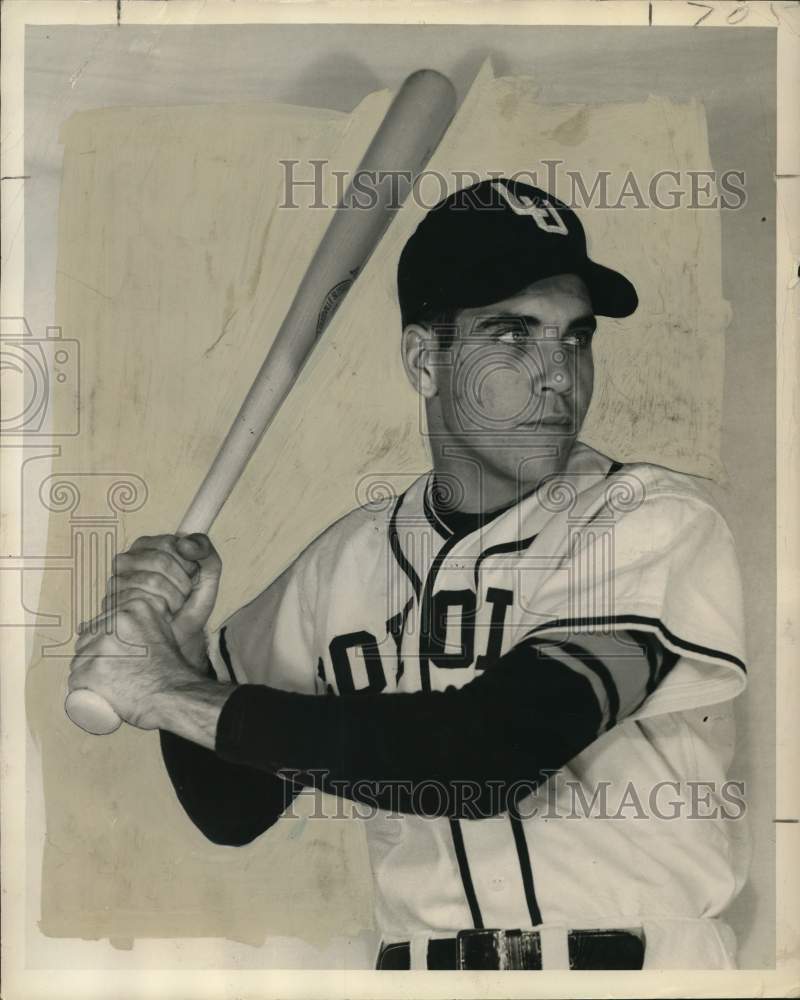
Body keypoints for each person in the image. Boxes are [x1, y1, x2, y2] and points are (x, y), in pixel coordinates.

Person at [69, 179, 749, 970]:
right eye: (513, 334)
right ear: (426, 360)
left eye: (575, 338)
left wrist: (165, 692)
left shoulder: (647, 520)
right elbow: (234, 806)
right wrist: (181, 661)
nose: (559, 374)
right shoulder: (346, 562)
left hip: (631, 975)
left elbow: (495, 754)